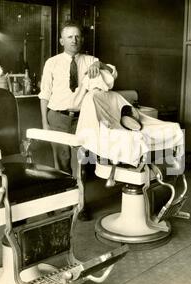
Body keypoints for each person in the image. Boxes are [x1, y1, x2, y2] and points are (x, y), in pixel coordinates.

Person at [38, 20, 117, 220]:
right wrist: (45, 124)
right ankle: (60, 202)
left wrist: (101, 65)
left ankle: (79, 206)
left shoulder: (92, 61)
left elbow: (112, 73)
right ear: (61, 40)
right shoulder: (52, 62)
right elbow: (44, 94)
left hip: (82, 119)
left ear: (82, 39)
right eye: (69, 37)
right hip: (57, 117)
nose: (74, 40)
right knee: (61, 164)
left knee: (80, 165)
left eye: (77, 36)